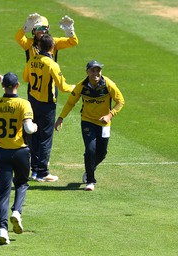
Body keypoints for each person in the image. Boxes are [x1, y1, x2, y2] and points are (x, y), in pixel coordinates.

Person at [54, 60, 125, 191]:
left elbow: (120, 101)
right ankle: (90, 181)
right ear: (87, 71)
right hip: (88, 122)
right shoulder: (81, 86)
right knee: (90, 150)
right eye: (93, 70)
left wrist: (110, 115)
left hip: (104, 123)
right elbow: (70, 103)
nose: (96, 73)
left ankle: (89, 169)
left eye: (98, 70)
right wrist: (60, 118)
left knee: (102, 153)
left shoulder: (108, 84)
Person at [0, 72, 38, 245]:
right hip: (21, 152)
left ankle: (2, 230)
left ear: (3, 86)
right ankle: (16, 211)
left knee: (3, 193)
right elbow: (29, 129)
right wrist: (36, 126)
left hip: (2, 153)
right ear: (17, 85)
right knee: (22, 183)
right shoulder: (24, 103)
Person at [23, 34, 75, 182]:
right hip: (46, 105)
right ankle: (43, 172)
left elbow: (26, 78)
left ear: (39, 46)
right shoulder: (52, 64)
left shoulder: (32, 59)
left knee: (34, 135)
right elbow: (63, 87)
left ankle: (34, 170)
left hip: (33, 101)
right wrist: (74, 87)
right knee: (45, 138)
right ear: (52, 47)